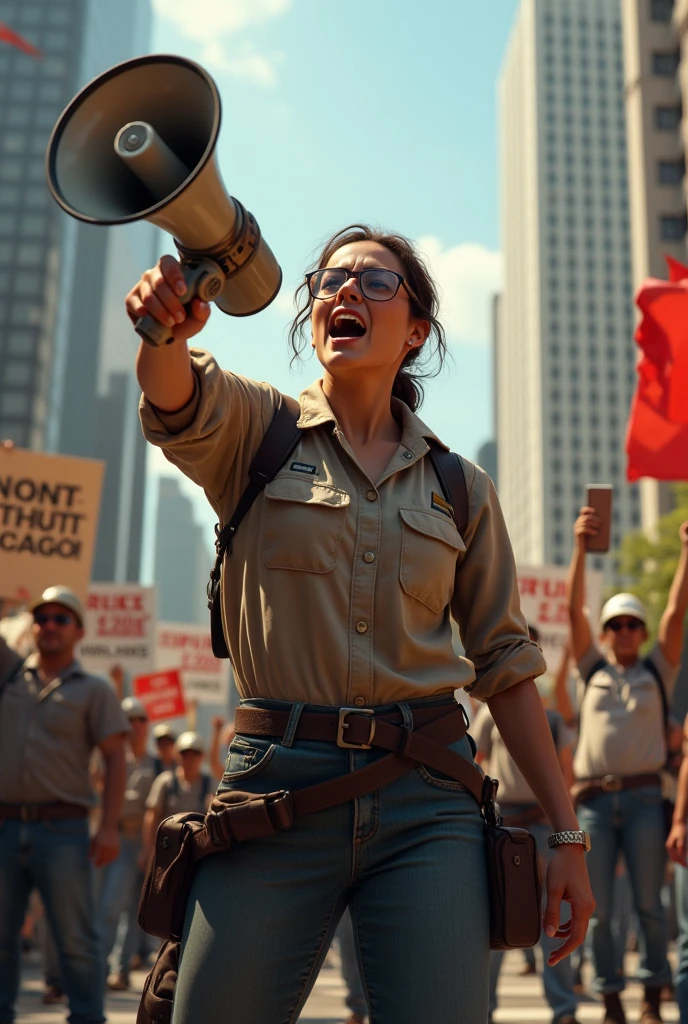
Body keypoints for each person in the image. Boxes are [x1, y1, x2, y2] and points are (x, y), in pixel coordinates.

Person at [128, 225, 594, 1023]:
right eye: (331, 280)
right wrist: (163, 328)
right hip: (270, 792)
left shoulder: (462, 487)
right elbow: (175, 394)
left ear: (416, 330)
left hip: (428, 801)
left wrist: (566, 836)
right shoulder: (257, 430)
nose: (345, 291)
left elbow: (508, 667)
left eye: (376, 282)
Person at [567, 512, 688, 1024]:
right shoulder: (590, 668)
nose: (623, 630)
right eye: (614, 624)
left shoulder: (657, 672)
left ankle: (652, 995)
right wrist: (579, 545)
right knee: (597, 911)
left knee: (649, 906)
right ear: (603, 632)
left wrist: (686, 551)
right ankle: (611, 996)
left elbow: (676, 616)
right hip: (593, 803)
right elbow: (573, 610)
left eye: (631, 623)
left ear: (641, 632)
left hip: (642, 801)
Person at [0, 585, 128, 1024]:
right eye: (42, 618)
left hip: (64, 831)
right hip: (5, 827)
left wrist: (109, 827)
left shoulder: (94, 691)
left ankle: (87, 1017)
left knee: (76, 938)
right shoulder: (7, 677)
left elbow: (115, 757)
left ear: (79, 632)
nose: (49, 626)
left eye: (61, 619)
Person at [473, 660, 579, 1024]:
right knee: (501, 916)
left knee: (556, 915)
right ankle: (482, 1012)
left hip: (544, 823)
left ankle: (564, 1009)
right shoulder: (490, 715)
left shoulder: (551, 720)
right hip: (506, 827)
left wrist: (568, 829)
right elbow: (475, 761)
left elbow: (567, 772)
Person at [97, 696, 157, 992]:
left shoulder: (157, 764)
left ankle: (119, 970)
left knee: (136, 910)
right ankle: (98, 968)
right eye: (129, 720)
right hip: (118, 838)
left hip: (147, 844)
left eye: (140, 719)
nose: (135, 725)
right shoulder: (112, 760)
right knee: (110, 907)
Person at [142, 731, 213, 864]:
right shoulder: (165, 782)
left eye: (195, 754)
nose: (190, 759)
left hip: (198, 851)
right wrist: (149, 849)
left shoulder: (210, 784)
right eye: (185, 754)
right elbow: (152, 815)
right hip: (168, 848)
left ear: (202, 756)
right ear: (177, 756)